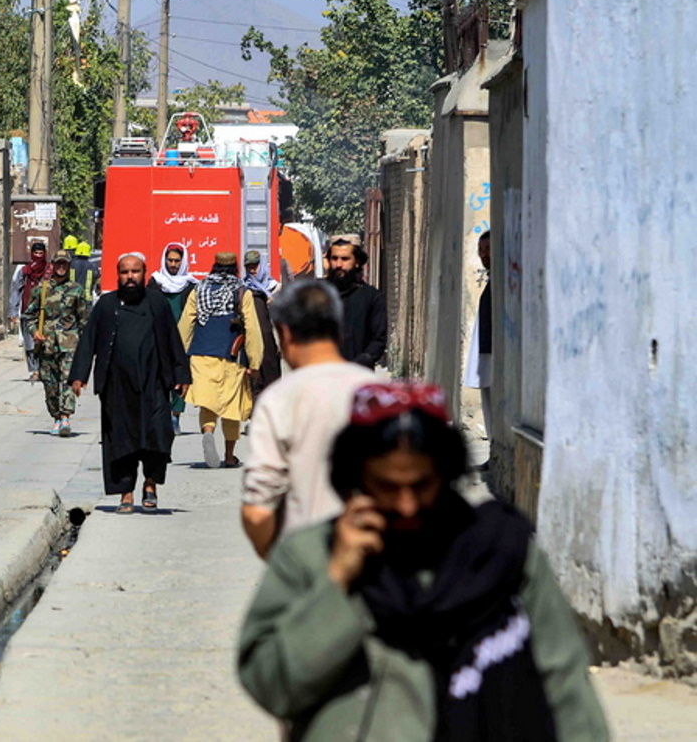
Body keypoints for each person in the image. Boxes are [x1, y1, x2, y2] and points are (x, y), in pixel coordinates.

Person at [238, 382, 610, 741]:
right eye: (387, 487)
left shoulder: (500, 553)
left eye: (421, 485)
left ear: (447, 473)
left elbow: (565, 687)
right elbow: (271, 687)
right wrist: (338, 581)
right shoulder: (310, 555)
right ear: (354, 478)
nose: (407, 505)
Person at [240, 280, 376, 558]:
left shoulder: (279, 399)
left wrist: (285, 569)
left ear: (285, 333)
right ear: (339, 331)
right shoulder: (378, 393)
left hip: (310, 559)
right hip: (377, 564)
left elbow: (257, 511)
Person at [69, 254, 191, 513]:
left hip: (154, 382)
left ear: (144, 273)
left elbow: (172, 340)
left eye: (135, 271)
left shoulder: (157, 302)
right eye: (125, 272)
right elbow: (89, 339)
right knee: (121, 440)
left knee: (158, 434)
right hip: (117, 386)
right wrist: (79, 374)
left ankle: (150, 484)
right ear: (118, 274)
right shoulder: (106, 304)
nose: (130, 277)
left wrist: (181, 374)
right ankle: (126, 493)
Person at [178, 251, 261, 469]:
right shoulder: (242, 292)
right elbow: (252, 329)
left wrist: (178, 357)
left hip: (201, 353)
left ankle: (208, 431)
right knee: (231, 406)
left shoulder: (199, 289)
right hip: (230, 355)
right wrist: (255, 361)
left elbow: (186, 324)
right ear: (236, 267)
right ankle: (230, 455)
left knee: (208, 401)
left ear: (214, 266)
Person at [22, 250, 89, 436]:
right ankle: (56, 417)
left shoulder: (76, 290)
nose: (61, 267)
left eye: (64, 264)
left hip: (69, 344)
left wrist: (86, 347)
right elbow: (28, 316)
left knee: (67, 380)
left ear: (69, 266)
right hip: (46, 345)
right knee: (50, 384)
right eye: (58, 264)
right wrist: (35, 332)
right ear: (52, 265)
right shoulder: (41, 290)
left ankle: (66, 417)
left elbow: (83, 319)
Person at [150, 242, 198, 433]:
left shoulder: (191, 284)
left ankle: (175, 416)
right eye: (170, 260)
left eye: (177, 261)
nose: (173, 264)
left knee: (181, 376)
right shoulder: (155, 282)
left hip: (183, 338)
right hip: (159, 337)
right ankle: (161, 415)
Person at [326, 233, 387, 368]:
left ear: (357, 262)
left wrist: (362, 360)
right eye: (334, 258)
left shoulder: (372, 298)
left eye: (345, 259)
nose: (339, 264)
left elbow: (378, 340)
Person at [464, 230, 493, 468]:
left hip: (494, 352)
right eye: (480, 251)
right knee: (489, 402)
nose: (484, 256)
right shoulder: (492, 281)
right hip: (486, 351)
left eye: (488, 250)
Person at [241, 250, 283, 393]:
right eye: (249, 267)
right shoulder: (243, 290)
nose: (252, 270)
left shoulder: (276, 288)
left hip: (271, 343)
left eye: (255, 266)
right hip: (252, 342)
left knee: (272, 383)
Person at [9, 241, 49, 381]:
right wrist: (13, 311)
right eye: (36, 253)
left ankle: (44, 369)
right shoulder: (25, 271)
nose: (38, 256)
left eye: (41, 253)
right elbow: (16, 290)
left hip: (45, 312)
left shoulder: (49, 270)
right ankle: (34, 371)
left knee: (43, 342)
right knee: (29, 343)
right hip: (27, 311)